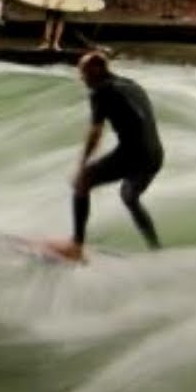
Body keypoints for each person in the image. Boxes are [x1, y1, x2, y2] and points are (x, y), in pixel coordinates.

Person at [53, 51, 164, 261]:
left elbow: (95, 133)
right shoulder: (131, 84)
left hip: (134, 154)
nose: (81, 78)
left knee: (82, 182)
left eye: (83, 73)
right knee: (129, 197)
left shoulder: (101, 91)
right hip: (155, 154)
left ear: (96, 71)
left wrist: (82, 164)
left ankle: (76, 246)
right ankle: (156, 249)